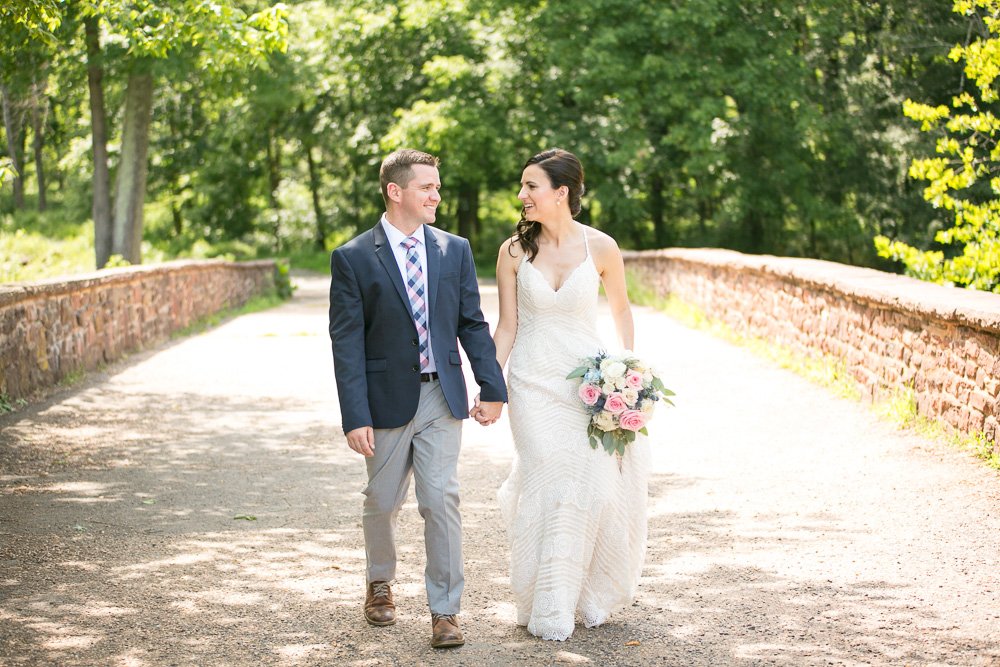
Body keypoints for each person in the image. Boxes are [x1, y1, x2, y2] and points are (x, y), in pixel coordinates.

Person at [328, 148, 507, 649]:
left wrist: (493, 387)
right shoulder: (354, 257)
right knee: (382, 501)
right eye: (427, 187)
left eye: (438, 186)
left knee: (442, 500)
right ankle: (379, 582)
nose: (436, 195)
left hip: (442, 397)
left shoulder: (455, 250)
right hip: (384, 400)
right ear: (395, 191)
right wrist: (354, 415)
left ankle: (445, 611)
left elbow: (472, 322)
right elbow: (347, 342)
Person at [489, 148, 649, 641]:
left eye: (531, 186)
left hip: (588, 383)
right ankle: (548, 601)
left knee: (590, 486)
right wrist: (492, 384)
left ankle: (579, 593)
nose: (522, 195)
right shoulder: (513, 252)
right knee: (547, 480)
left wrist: (629, 375)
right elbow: (507, 327)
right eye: (522, 186)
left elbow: (622, 312)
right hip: (533, 384)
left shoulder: (601, 247)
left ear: (562, 192)